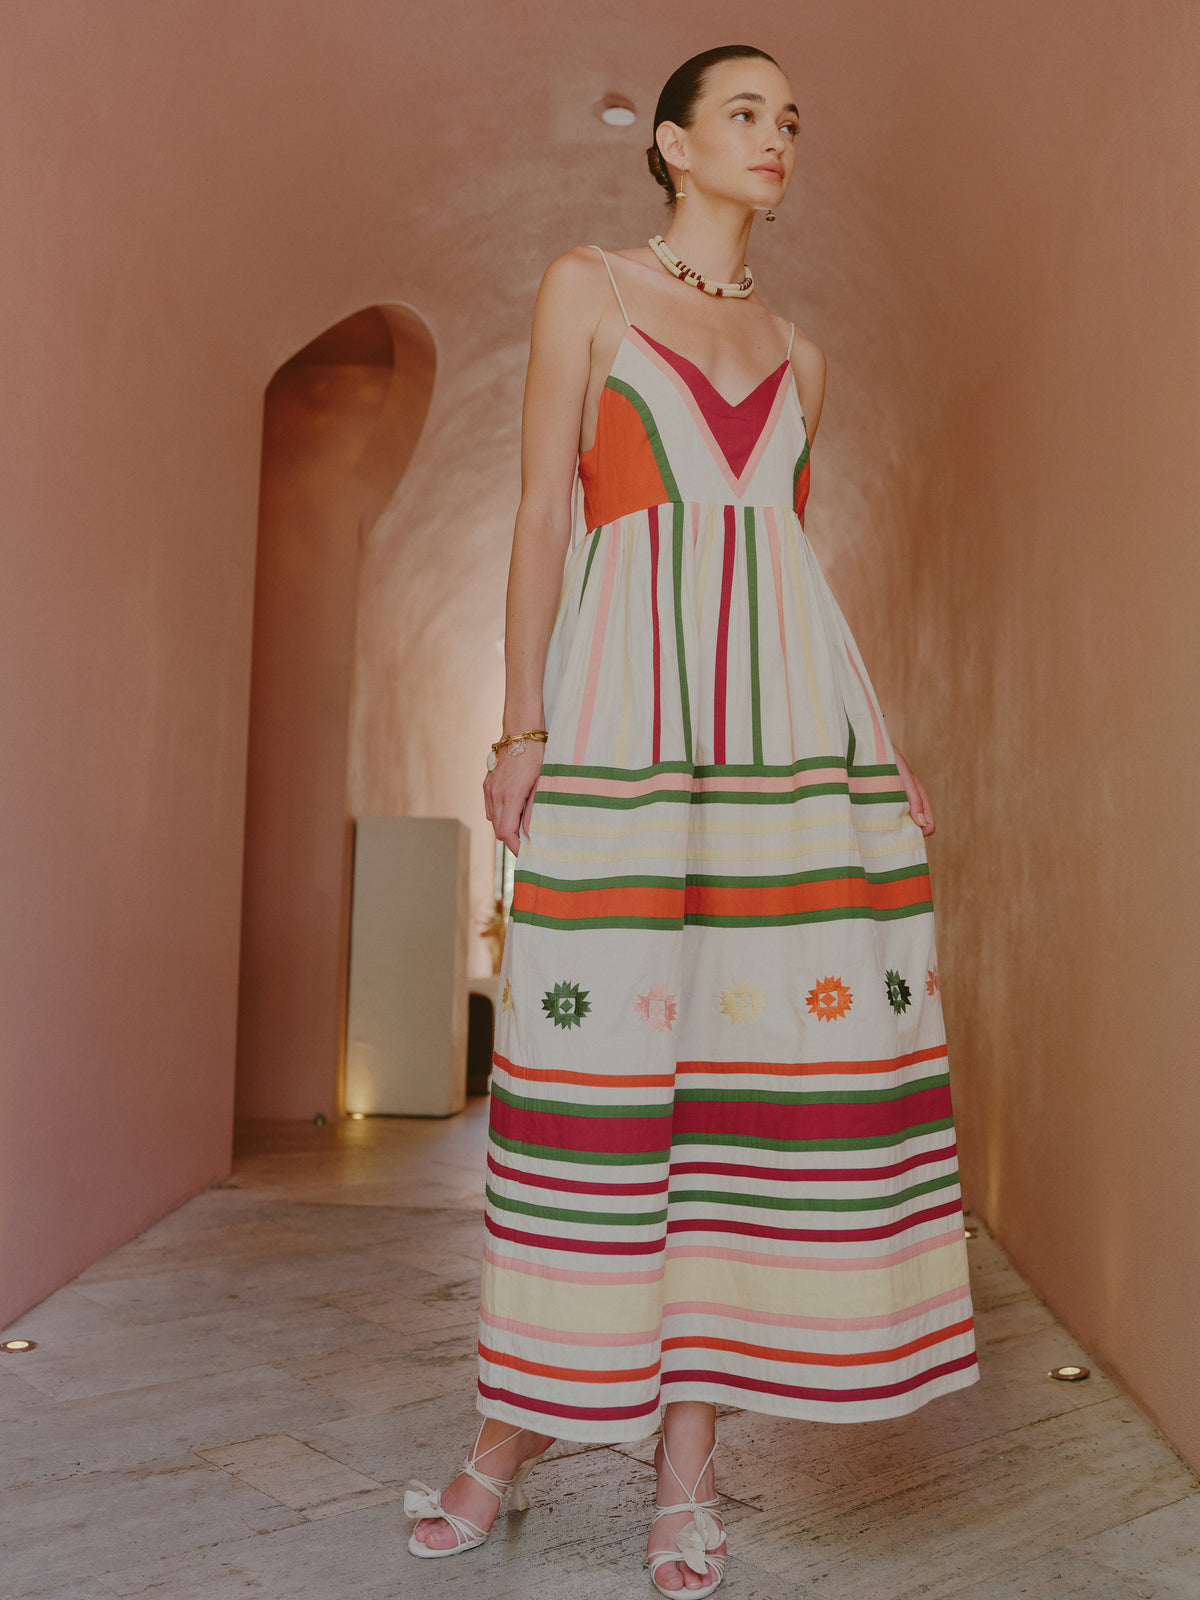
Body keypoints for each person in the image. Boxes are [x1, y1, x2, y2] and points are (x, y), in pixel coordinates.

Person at [406, 43, 979, 1595]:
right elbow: (541, 507)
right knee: (585, 1078)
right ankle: (502, 1438)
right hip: (622, 723)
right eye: (745, 113)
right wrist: (520, 722)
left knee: (738, 1082)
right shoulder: (584, 285)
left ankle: (689, 1471)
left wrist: (882, 745)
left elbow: (789, 570)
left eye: (792, 119)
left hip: (787, 744)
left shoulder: (803, 355)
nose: (776, 138)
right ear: (671, 143)